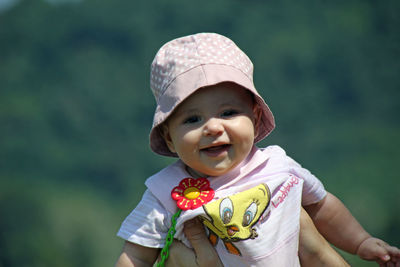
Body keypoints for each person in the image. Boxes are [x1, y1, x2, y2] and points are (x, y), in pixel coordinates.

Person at [115, 33, 400, 266]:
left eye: (228, 113)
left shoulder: (276, 166)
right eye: (192, 119)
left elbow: (321, 206)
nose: (213, 128)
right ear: (168, 137)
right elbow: (136, 255)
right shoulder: (165, 192)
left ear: (254, 116)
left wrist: (360, 241)